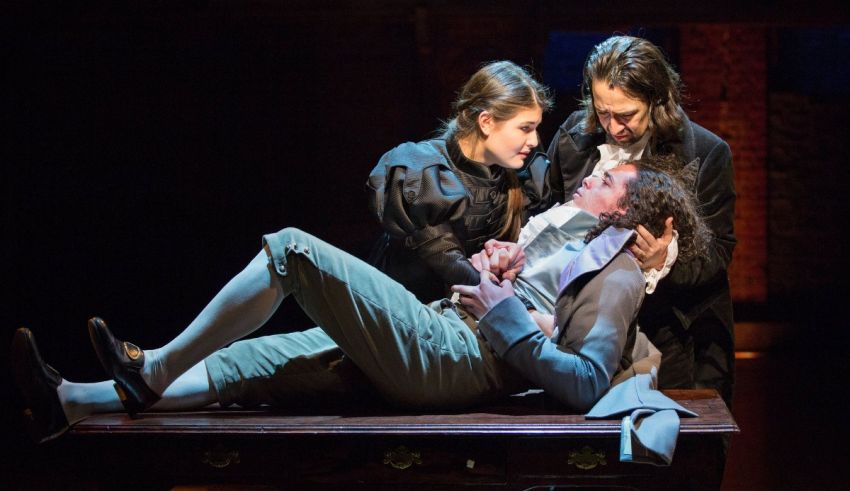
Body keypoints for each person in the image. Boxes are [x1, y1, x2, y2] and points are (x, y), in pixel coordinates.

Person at [11, 162, 708, 445]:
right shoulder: (577, 243)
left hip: (459, 358)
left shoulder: (615, 277)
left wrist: (501, 309)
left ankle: (152, 369)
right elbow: (516, 298)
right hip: (449, 333)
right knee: (251, 360)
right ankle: (71, 399)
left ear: (633, 208)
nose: (592, 174)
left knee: (292, 251)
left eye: (610, 178)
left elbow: (585, 382)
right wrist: (492, 269)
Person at [547, 35, 736, 405]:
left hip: (672, 328)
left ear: (657, 99)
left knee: (671, 451)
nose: (613, 126)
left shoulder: (706, 153)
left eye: (626, 115)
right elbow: (543, 211)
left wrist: (664, 262)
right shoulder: (574, 138)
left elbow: (718, 252)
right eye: (603, 112)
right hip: (582, 324)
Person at [367, 60, 553, 302]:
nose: (534, 141)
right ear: (486, 122)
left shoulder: (516, 180)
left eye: (536, 128)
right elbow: (450, 267)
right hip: (398, 312)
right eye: (525, 128)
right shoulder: (424, 173)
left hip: (464, 317)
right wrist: (519, 306)